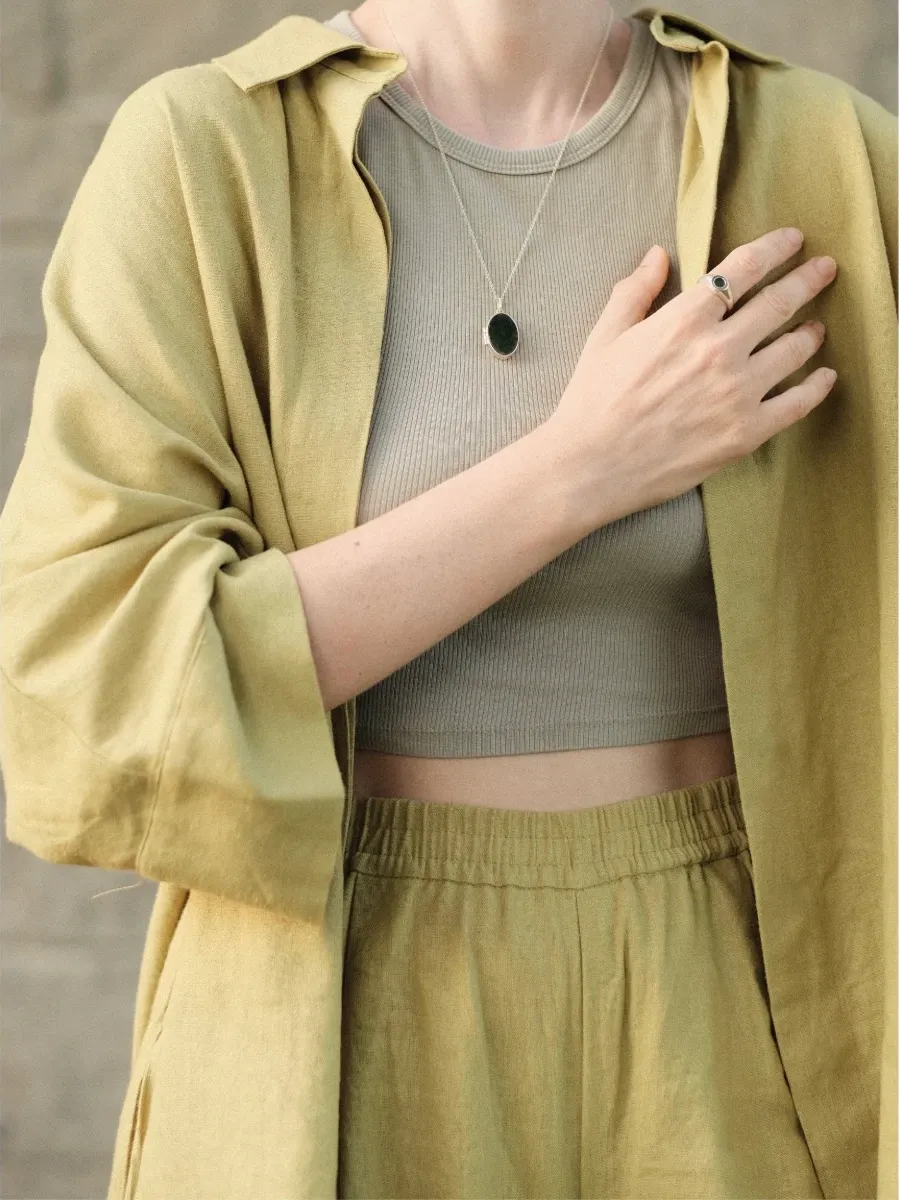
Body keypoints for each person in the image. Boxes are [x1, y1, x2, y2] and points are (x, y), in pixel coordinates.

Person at [0, 3, 894, 1198]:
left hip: (730, 994)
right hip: (350, 990)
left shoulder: (825, 159)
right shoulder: (209, 156)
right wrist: (580, 470)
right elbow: (84, 687)